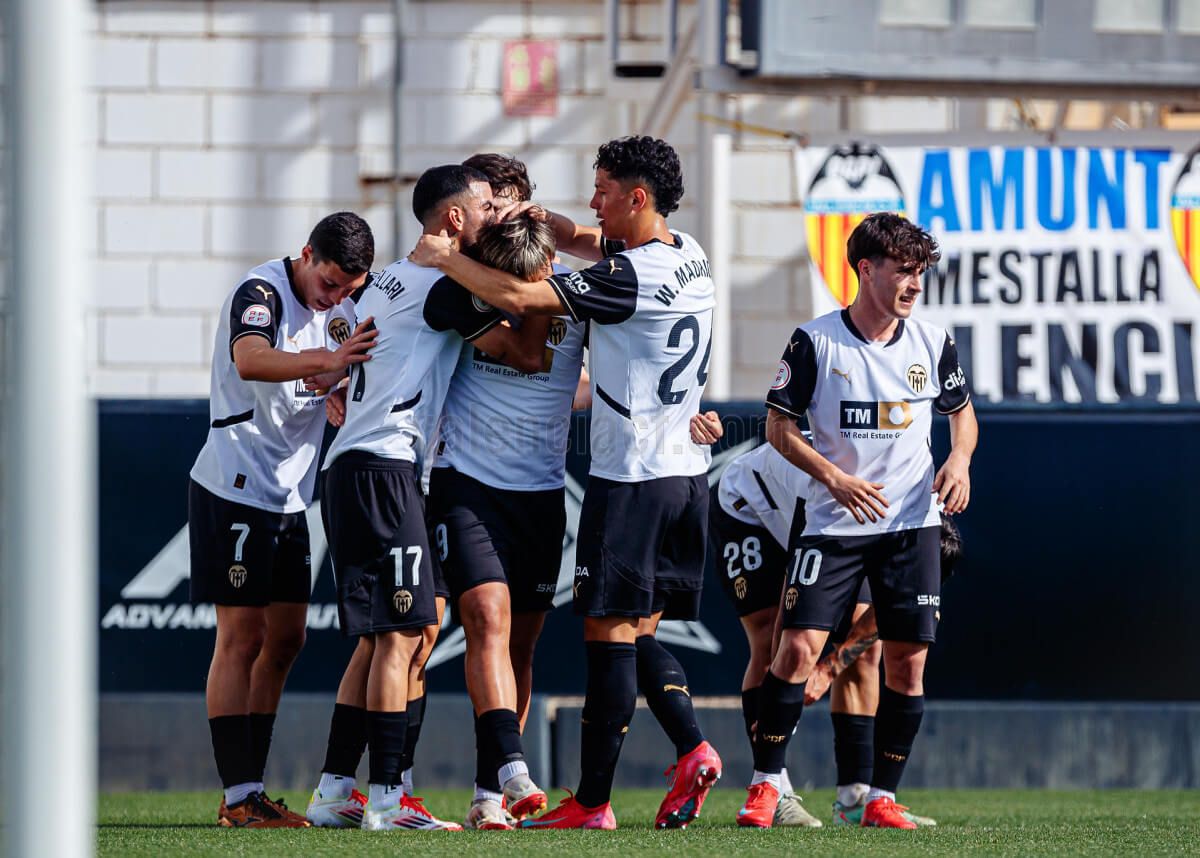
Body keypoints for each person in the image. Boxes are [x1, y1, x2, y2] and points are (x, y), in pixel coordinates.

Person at [411, 136, 722, 830]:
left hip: (629, 477)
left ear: (637, 198)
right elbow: (584, 240)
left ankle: (591, 801)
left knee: (608, 638)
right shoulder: (690, 252)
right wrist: (532, 218)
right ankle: (679, 746)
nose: (593, 202)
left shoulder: (616, 281)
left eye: (604, 188)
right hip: (680, 473)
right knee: (626, 634)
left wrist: (448, 257)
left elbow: (524, 296)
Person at [304, 164, 546, 832]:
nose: (496, 216)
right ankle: (387, 799)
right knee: (406, 633)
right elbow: (523, 308)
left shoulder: (385, 282)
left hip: (358, 469)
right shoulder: (437, 288)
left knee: (386, 636)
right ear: (453, 221)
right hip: (383, 469)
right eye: (486, 209)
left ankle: (333, 790)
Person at [736, 212, 977, 830]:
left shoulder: (932, 340)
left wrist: (960, 459)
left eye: (920, 273)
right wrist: (835, 480)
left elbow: (963, 414)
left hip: (911, 525)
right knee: (795, 650)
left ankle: (878, 798)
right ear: (866, 269)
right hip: (834, 524)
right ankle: (766, 785)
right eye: (903, 271)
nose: (914, 285)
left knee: (907, 662)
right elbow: (778, 429)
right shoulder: (815, 341)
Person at [188, 212, 378, 828]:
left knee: (287, 640)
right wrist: (329, 361)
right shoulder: (262, 292)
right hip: (236, 485)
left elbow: (330, 372)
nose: (337, 297)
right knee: (240, 638)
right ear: (305, 255)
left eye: (349, 287)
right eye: (329, 284)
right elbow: (251, 360)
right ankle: (239, 796)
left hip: (291, 494)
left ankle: (250, 790)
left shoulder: (346, 307)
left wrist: (338, 386)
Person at [428, 210, 580, 830]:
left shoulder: (576, 289)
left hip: (541, 492)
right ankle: (514, 769)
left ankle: (488, 791)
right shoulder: (467, 288)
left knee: (522, 644)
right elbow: (525, 355)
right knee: (485, 617)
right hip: (467, 481)